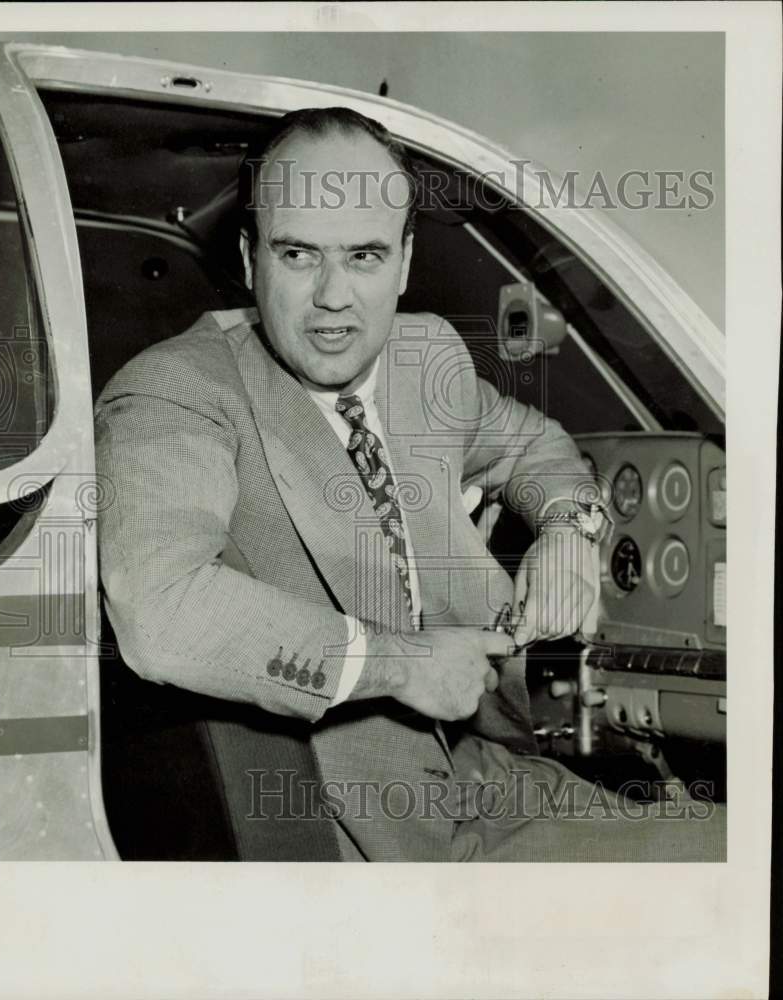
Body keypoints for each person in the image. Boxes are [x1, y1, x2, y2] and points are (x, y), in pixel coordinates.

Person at [95, 106, 724, 862]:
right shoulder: (176, 390)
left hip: (493, 772)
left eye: (363, 256)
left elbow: (536, 449)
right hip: (372, 832)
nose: (332, 296)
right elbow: (162, 611)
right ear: (249, 254)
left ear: (403, 261)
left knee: (729, 840)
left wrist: (569, 529)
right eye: (298, 254)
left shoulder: (425, 357)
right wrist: (400, 664)